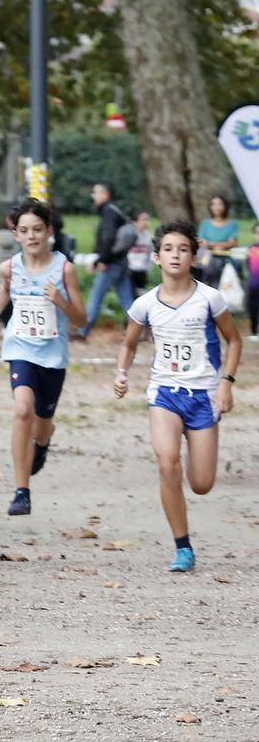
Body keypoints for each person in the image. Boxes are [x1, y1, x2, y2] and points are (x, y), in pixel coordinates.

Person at [114, 221, 241, 573]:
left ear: (193, 258)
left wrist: (226, 383)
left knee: (201, 484)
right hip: (165, 394)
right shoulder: (145, 304)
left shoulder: (209, 299)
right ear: (156, 257)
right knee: (167, 462)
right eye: (168, 249)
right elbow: (128, 344)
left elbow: (235, 341)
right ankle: (182, 547)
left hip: (204, 395)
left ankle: (198, 446)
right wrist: (121, 373)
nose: (175, 255)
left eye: (183, 249)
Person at [0, 198, 85, 517]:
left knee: (40, 425)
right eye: (24, 230)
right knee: (22, 410)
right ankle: (21, 491)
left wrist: (61, 302)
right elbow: (4, 291)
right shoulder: (10, 267)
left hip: (52, 356)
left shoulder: (64, 269)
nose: (32, 236)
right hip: (20, 349)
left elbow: (81, 319)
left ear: (49, 231)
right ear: (16, 234)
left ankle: (43, 441)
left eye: (38, 229)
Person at [76, 182, 133, 339]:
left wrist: (101, 260)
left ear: (105, 194)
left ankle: (83, 331)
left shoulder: (109, 213)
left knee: (96, 295)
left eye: (96, 192)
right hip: (122, 261)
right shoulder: (116, 211)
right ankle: (138, 329)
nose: (93, 196)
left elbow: (107, 239)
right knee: (127, 299)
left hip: (110, 263)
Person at [199, 195, 241, 286]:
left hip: (225, 255)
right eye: (213, 204)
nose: (216, 207)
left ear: (225, 206)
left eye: (220, 204)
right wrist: (216, 245)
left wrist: (216, 245)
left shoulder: (232, 224)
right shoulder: (205, 223)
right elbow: (201, 242)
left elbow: (232, 242)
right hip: (207, 256)